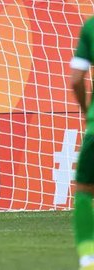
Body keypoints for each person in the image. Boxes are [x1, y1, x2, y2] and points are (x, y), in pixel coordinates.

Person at [71, 17, 94, 270]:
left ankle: (88, 259)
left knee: (85, 191)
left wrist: (87, 110)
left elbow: (76, 79)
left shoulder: (91, 27)